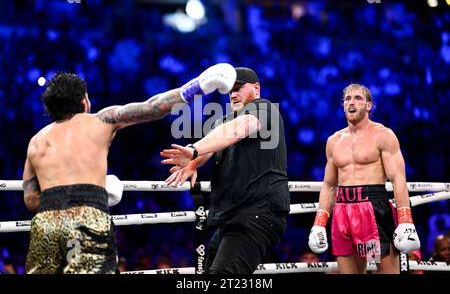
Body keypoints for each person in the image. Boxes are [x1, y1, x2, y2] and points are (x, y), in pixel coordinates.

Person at [22, 63, 236, 274]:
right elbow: (154, 107)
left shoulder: (36, 141)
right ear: (83, 101)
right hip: (85, 217)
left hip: (46, 224)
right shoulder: (100, 121)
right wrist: (198, 86)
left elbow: (31, 199)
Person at [160, 67, 290, 274]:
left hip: (257, 213)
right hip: (233, 217)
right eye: (230, 91)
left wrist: (194, 150)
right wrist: (194, 162)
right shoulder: (225, 121)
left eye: (239, 88)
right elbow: (215, 143)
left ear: (256, 88)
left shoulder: (264, 109)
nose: (234, 94)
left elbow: (237, 130)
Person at [308, 83, 420, 274]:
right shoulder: (334, 141)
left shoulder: (383, 135)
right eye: (347, 99)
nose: (351, 102)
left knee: (387, 271)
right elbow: (329, 185)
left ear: (369, 105)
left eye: (358, 98)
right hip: (343, 212)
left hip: (372, 209)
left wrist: (406, 221)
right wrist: (319, 223)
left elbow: (398, 179)